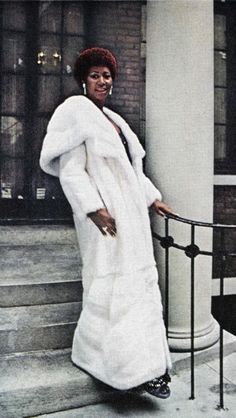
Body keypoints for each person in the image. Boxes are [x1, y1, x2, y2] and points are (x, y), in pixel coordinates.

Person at [40, 47, 173, 398]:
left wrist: (152, 198)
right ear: (84, 79)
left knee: (137, 288)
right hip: (105, 220)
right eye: (96, 75)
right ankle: (114, 365)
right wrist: (94, 209)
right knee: (111, 289)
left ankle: (143, 368)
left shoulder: (115, 121)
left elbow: (131, 171)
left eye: (107, 75)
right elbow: (71, 172)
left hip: (131, 220)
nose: (103, 81)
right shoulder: (75, 113)